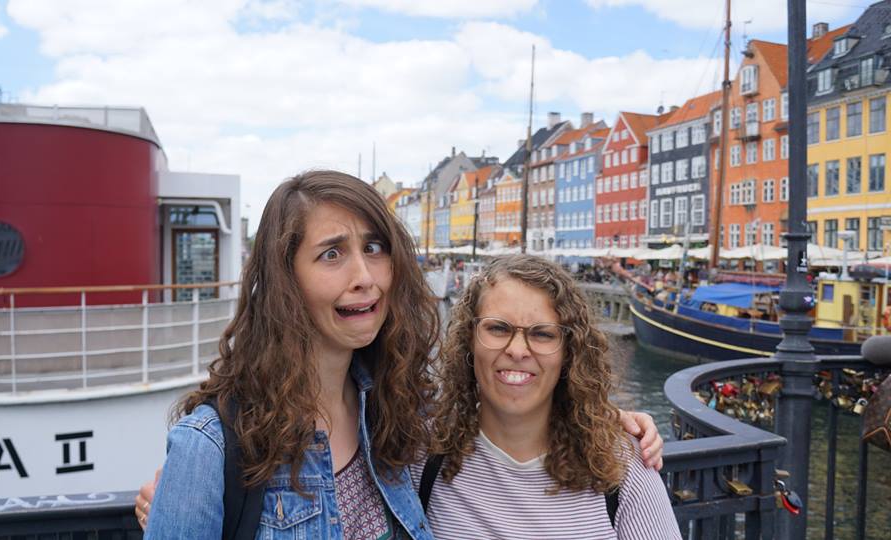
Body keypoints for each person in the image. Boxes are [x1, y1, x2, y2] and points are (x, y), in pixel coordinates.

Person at [137, 170, 664, 538]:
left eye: (373, 248)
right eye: (331, 254)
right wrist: (183, 489)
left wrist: (596, 416)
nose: (364, 277)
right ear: (284, 279)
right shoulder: (216, 446)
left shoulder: (393, 420)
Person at [421, 255, 681, 538]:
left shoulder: (623, 469)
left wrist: (604, 421)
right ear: (469, 338)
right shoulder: (422, 457)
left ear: (569, 352)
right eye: (498, 328)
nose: (517, 350)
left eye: (542, 334)